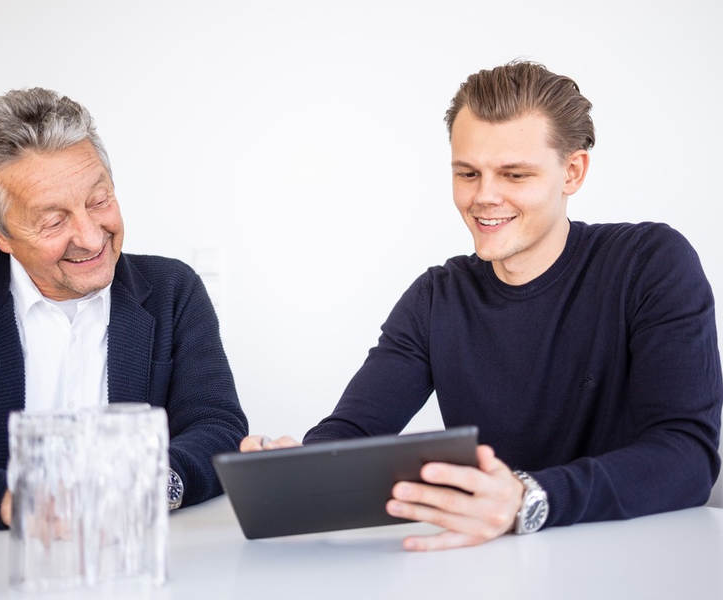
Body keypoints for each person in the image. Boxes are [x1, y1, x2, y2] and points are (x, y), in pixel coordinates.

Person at [241, 60, 723, 551]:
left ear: (572, 172)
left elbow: (688, 457)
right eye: (468, 173)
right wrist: (298, 468)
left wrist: (527, 499)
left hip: (633, 557)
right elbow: (354, 431)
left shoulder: (650, 264)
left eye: (514, 174)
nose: (484, 196)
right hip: (493, 565)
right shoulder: (437, 297)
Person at [0, 88, 248, 531]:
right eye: (53, 221)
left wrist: (152, 486)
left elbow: (218, 426)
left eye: (100, 201)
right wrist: (18, 502)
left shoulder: (174, 290)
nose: (92, 238)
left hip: (136, 554)